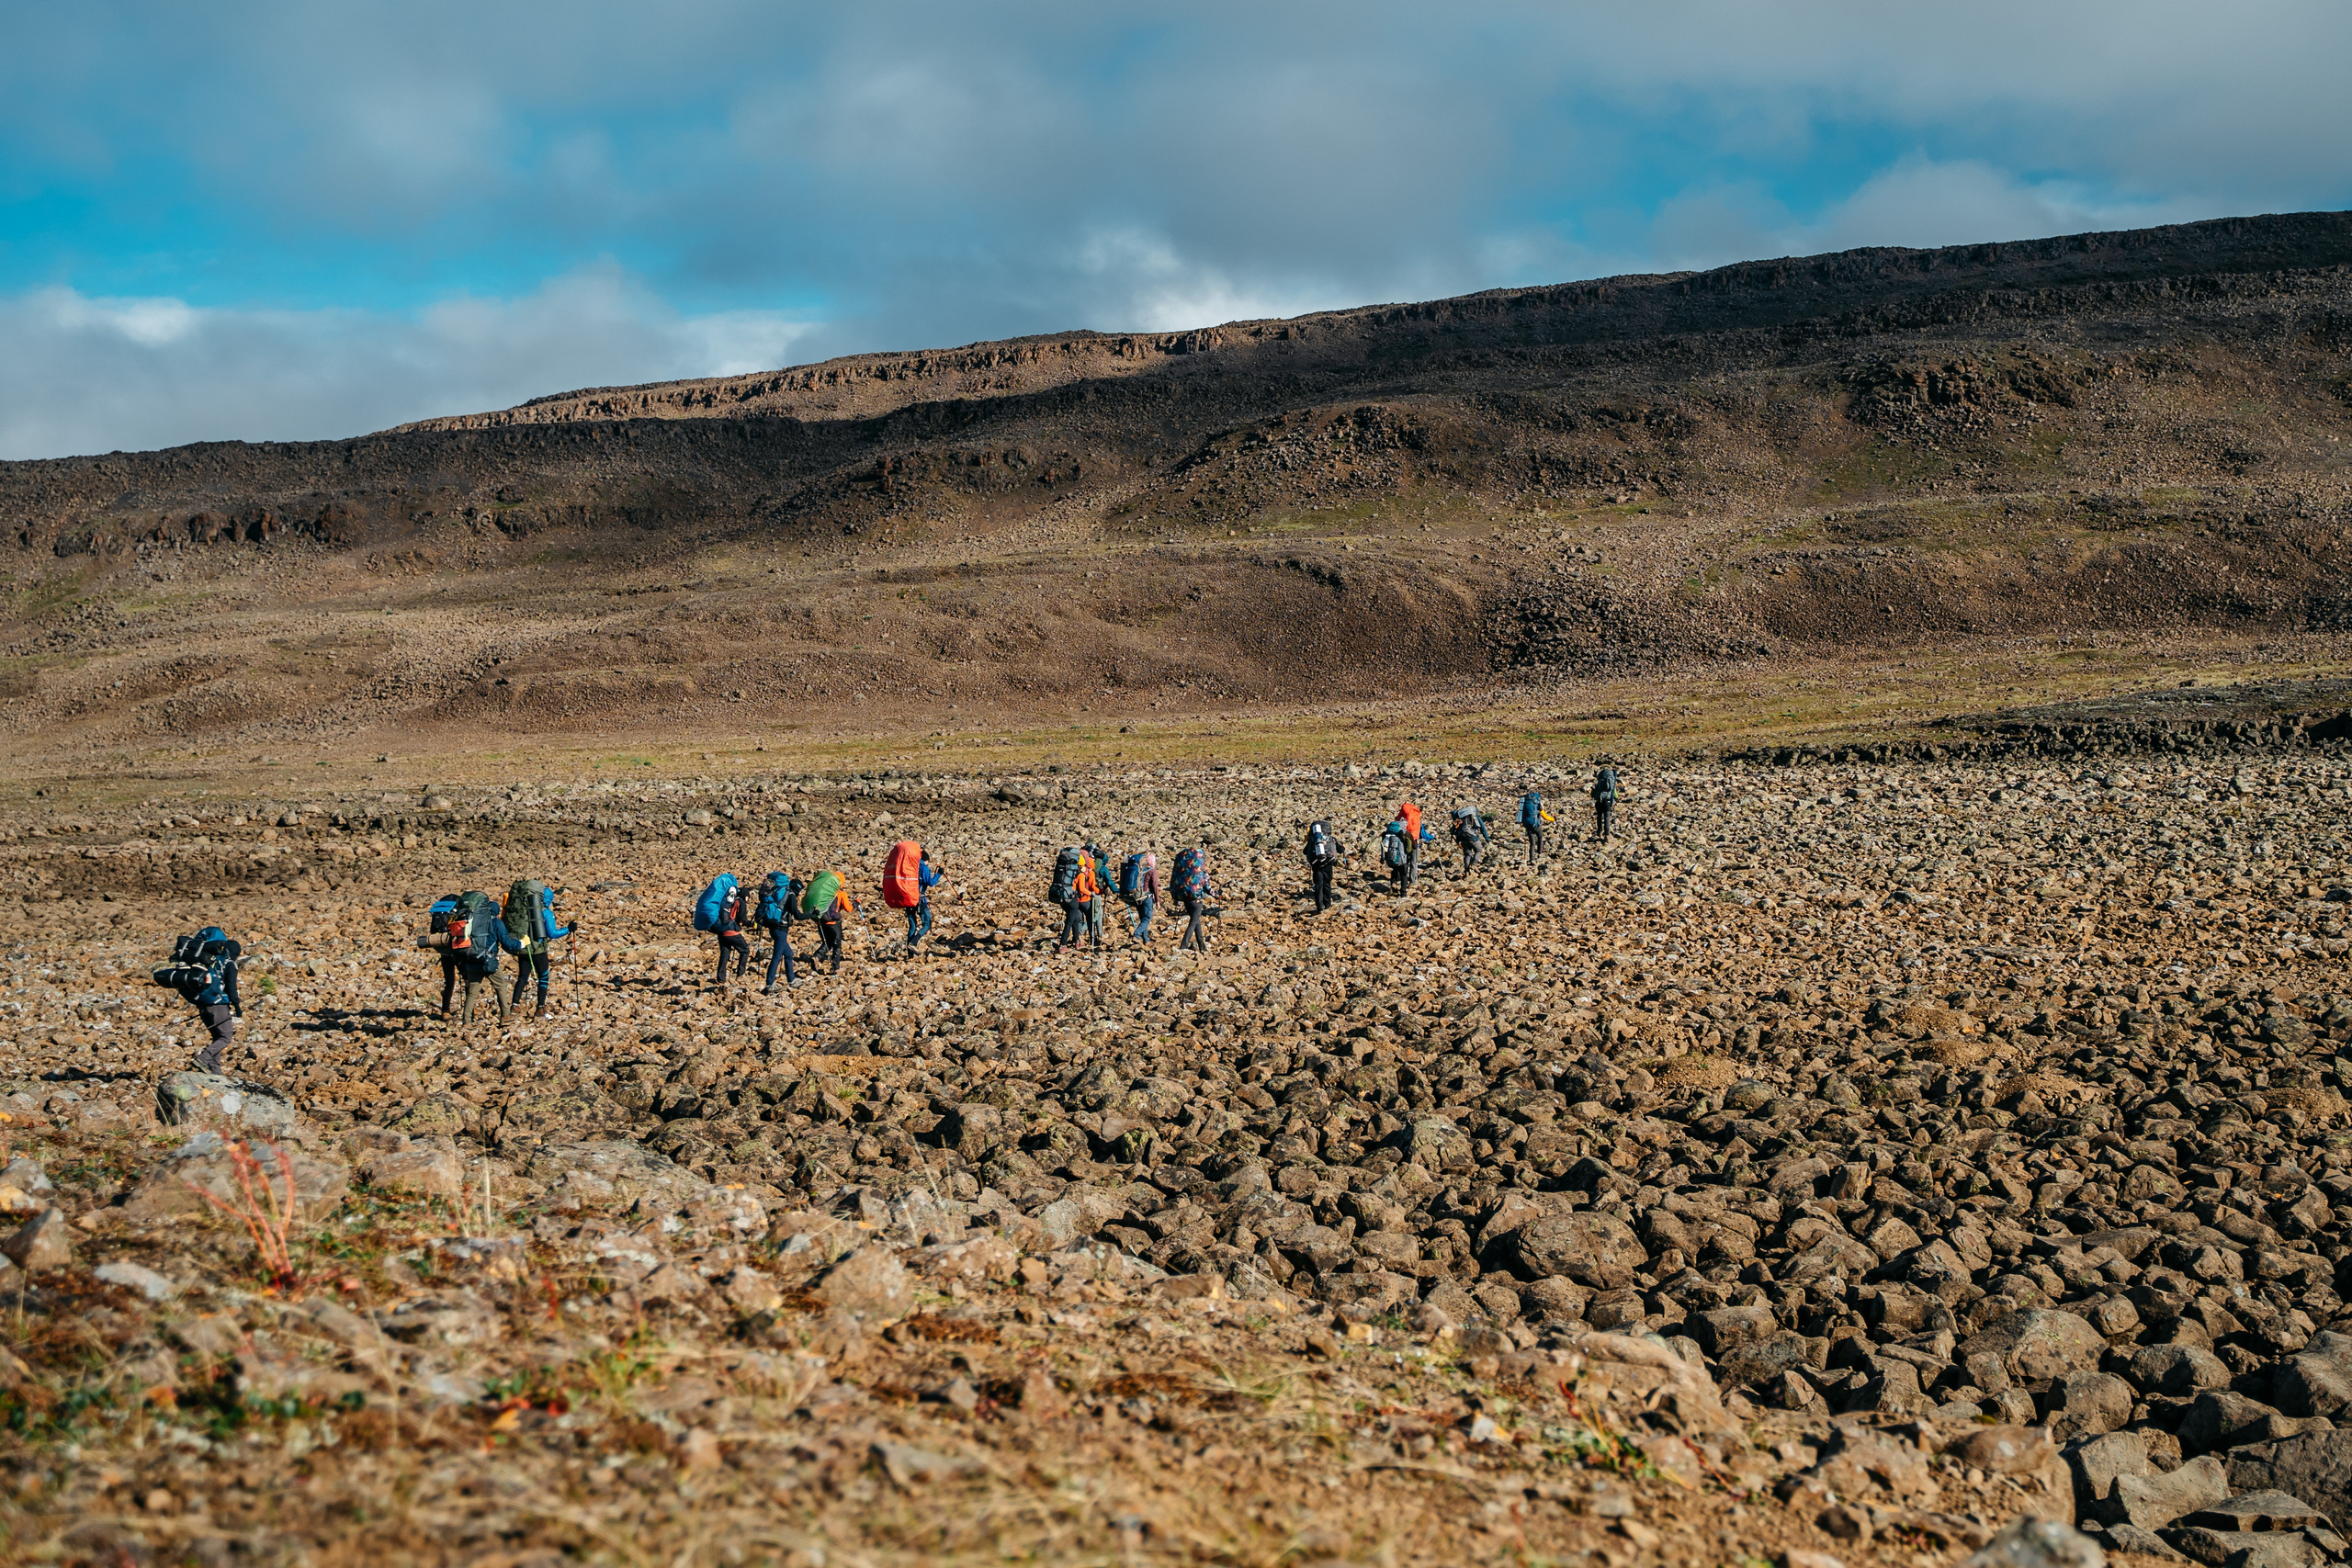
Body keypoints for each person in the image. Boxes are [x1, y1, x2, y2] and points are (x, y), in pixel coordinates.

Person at [156, 926, 243, 1075]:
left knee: (217, 1036)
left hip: (202, 1004)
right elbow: (231, 987)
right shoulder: (229, 963)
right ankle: (203, 1059)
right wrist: (236, 1005)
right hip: (218, 1004)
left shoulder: (211, 961)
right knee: (225, 1036)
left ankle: (215, 1072)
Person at [505, 880, 574, 1017]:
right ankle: (540, 1008)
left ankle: (514, 1005)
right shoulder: (545, 912)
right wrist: (569, 929)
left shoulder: (521, 910)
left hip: (523, 948)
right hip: (539, 950)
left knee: (523, 977)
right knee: (543, 977)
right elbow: (553, 933)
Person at [756, 872, 800, 993]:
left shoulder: (775, 892)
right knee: (777, 956)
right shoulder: (788, 894)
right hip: (781, 928)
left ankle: (792, 980)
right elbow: (797, 915)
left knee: (789, 954)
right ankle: (770, 984)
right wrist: (812, 915)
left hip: (773, 927)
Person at [1173, 841, 1216, 953]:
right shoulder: (1202, 873)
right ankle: (1183, 946)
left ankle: (1202, 947)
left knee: (1196, 923)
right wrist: (1217, 893)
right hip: (1197, 901)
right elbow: (1207, 888)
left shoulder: (1185, 871)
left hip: (1186, 898)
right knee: (1193, 923)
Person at [709, 876, 751, 987]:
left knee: (725, 952)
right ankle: (740, 974)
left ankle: (720, 978)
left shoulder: (728, 900)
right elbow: (742, 918)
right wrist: (752, 924)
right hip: (732, 932)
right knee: (745, 950)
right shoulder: (740, 902)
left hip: (721, 931)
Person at [906, 850, 944, 954]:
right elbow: (930, 882)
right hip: (920, 899)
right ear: (926, 860)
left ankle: (910, 955)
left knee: (912, 925)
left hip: (908, 899)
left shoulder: (911, 867)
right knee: (927, 924)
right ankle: (913, 943)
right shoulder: (924, 868)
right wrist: (939, 874)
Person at [1304, 820, 1339, 913]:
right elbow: (1341, 849)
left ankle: (1319, 906)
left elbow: (1304, 851)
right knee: (1327, 883)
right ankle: (1327, 904)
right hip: (1328, 863)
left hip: (1316, 864)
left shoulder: (1314, 839)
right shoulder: (1330, 838)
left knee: (1318, 884)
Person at [1126, 851, 1159, 942]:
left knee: (1142, 918)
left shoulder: (1141, 870)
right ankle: (1137, 935)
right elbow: (1155, 887)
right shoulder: (1152, 871)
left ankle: (1146, 939)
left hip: (1137, 896)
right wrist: (1157, 901)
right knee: (1147, 919)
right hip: (1146, 897)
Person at [1452, 806, 1488, 877]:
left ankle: (1467, 871)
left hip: (1462, 838)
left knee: (1467, 854)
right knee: (1478, 850)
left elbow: (1453, 830)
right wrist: (1487, 838)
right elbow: (1483, 828)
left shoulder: (1459, 818)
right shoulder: (1475, 816)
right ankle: (1473, 865)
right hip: (1472, 836)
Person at [1381, 817, 1413, 897]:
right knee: (1403, 875)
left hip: (1390, 857)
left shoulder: (1388, 832)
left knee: (1394, 870)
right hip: (1402, 858)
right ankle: (1403, 893)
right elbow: (1411, 848)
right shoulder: (1406, 832)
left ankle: (1393, 885)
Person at [1396, 799, 1425, 890]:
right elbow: (1423, 833)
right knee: (1414, 862)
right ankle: (1412, 881)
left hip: (1403, 840)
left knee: (1404, 861)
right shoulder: (1416, 818)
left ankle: (1400, 878)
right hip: (1414, 841)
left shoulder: (1402, 817)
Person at [1518, 788, 1550, 866]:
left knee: (1532, 843)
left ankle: (1531, 859)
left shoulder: (1525, 802)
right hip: (1536, 825)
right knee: (1540, 837)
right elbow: (1545, 816)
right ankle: (1539, 853)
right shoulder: (1537, 803)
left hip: (1527, 825)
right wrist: (1552, 819)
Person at [1592, 765, 1620, 842]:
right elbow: (1616, 795)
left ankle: (1599, 831)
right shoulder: (1611, 784)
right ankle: (1607, 834)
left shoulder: (1599, 783)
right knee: (1607, 817)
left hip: (1599, 802)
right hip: (1608, 802)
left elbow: (1592, 794)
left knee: (1599, 816)